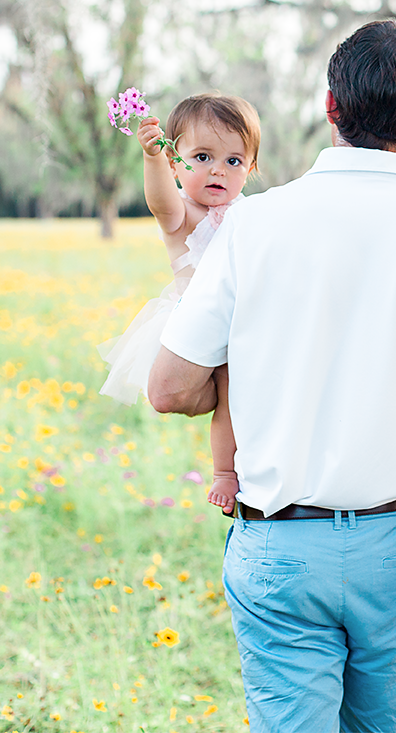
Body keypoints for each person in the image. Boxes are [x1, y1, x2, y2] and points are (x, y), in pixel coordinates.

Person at [147, 20, 396, 733]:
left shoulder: (250, 226)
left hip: (278, 540)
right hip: (394, 543)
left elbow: (168, 388)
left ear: (330, 106)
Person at [97, 93, 259, 515]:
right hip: (196, 321)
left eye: (234, 161)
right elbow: (160, 202)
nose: (217, 171)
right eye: (202, 157)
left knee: (238, 392)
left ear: (251, 168)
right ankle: (225, 472)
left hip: (242, 320)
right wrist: (152, 160)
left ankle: (259, 463)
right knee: (223, 389)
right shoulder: (182, 213)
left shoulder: (249, 214)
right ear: (175, 163)